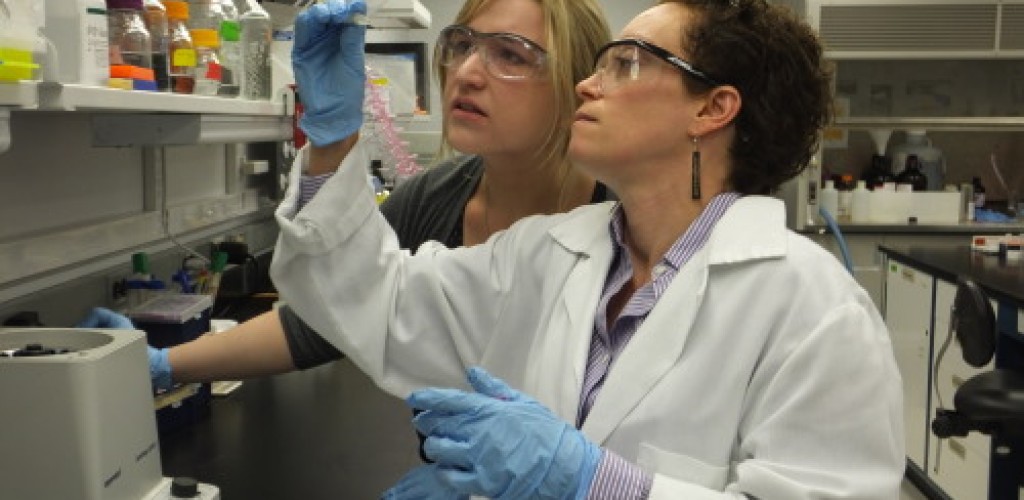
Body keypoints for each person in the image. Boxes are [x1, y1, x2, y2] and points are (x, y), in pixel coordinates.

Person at [270, 0, 906, 498]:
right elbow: (371, 304)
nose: (585, 85)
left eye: (625, 63)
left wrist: (594, 483)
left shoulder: (815, 311)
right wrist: (333, 137)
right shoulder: (547, 254)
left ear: (712, 109)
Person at [81, 0, 613, 387]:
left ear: (580, 85)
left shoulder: (623, 221)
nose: (467, 73)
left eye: (511, 56)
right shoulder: (438, 198)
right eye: (462, 45)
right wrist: (162, 365)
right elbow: (326, 318)